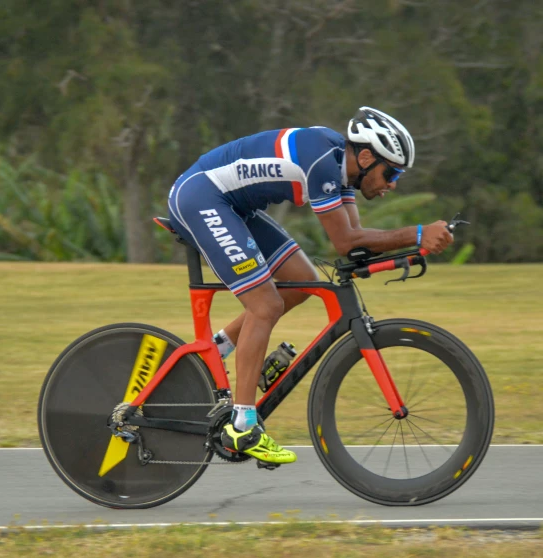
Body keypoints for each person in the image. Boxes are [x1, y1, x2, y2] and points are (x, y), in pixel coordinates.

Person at [167, 106, 454, 465]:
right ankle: (242, 425)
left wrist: (409, 252)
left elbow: (357, 243)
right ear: (365, 156)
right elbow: (346, 242)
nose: (392, 184)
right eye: (390, 172)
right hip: (201, 198)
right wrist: (416, 233)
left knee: (304, 283)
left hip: (231, 205)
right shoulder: (323, 164)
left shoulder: (344, 171)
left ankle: (219, 350)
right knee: (265, 306)